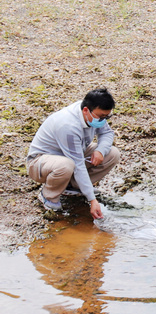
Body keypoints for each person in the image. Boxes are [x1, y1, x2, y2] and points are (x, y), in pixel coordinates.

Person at [26, 87, 120, 218]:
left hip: (72, 153)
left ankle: (73, 187)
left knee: (112, 153)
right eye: (101, 116)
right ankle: (49, 196)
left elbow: (107, 133)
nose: (103, 120)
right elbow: (78, 164)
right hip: (39, 162)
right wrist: (92, 200)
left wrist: (100, 151)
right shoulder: (68, 125)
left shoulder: (92, 113)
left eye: (106, 116)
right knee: (66, 165)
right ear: (86, 110)